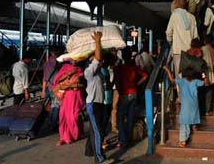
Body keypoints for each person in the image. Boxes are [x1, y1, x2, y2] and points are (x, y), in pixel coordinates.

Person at [84, 32, 113, 164]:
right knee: (98, 132)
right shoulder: (89, 71)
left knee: (96, 129)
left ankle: (90, 150)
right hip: (93, 104)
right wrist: (97, 41)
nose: (100, 60)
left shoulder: (100, 73)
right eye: (97, 59)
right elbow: (96, 58)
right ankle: (99, 158)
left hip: (99, 104)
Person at [164, 65, 208, 147]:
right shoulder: (196, 81)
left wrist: (167, 70)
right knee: (194, 115)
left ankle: (183, 140)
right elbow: (205, 83)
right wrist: (204, 76)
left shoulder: (182, 81)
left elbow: (172, 80)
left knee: (184, 121)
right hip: (194, 103)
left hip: (185, 104)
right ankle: (195, 125)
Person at [115, 47, 148, 148]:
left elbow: (117, 82)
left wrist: (120, 93)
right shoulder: (134, 67)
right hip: (134, 93)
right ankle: (128, 138)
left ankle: (123, 139)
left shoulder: (120, 68)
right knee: (130, 117)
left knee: (120, 118)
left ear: (123, 56)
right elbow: (145, 76)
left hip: (124, 94)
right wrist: (137, 84)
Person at [53, 60, 85, 146]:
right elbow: (58, 80)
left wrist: (67, 85)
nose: (74, 60)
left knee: (73, 116)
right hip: (66, 96)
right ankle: (64, 137)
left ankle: (77, 133)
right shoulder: (66, 68)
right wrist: (70, 73)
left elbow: (79, 83)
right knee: (63, 117)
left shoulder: (80, 70)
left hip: (75, 96)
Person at [166, 0, 199, 79]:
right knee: (190, 77)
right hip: (190, 53)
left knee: (180, 77)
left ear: (177, 4)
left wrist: (170, 41)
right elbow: (195, 36)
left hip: (178, 52)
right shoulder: (192, 17)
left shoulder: (174, 15)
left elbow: (168, 32)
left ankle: (180, 91)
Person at [42, 46, 60, 130]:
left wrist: (43, 90)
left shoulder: (46, 63)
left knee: (52, 104)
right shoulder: (59, 62)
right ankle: (53, 123)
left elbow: (44, 77)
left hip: (49, 86)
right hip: (57, 86)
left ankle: (50, 122)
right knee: (56, 105)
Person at [201, 35, 214, 115]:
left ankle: (203, 109)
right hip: (211, 73)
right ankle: (208, 110)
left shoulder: (202, 49)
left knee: (203, 92)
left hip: (204, 74)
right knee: (209, 93)